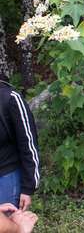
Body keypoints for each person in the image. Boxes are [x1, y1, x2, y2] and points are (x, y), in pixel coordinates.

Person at [0, 74, 40, 211]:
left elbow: (28, 143)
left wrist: (28, 188)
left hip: (6, 175)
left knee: (8, 227)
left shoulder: (10, 98)